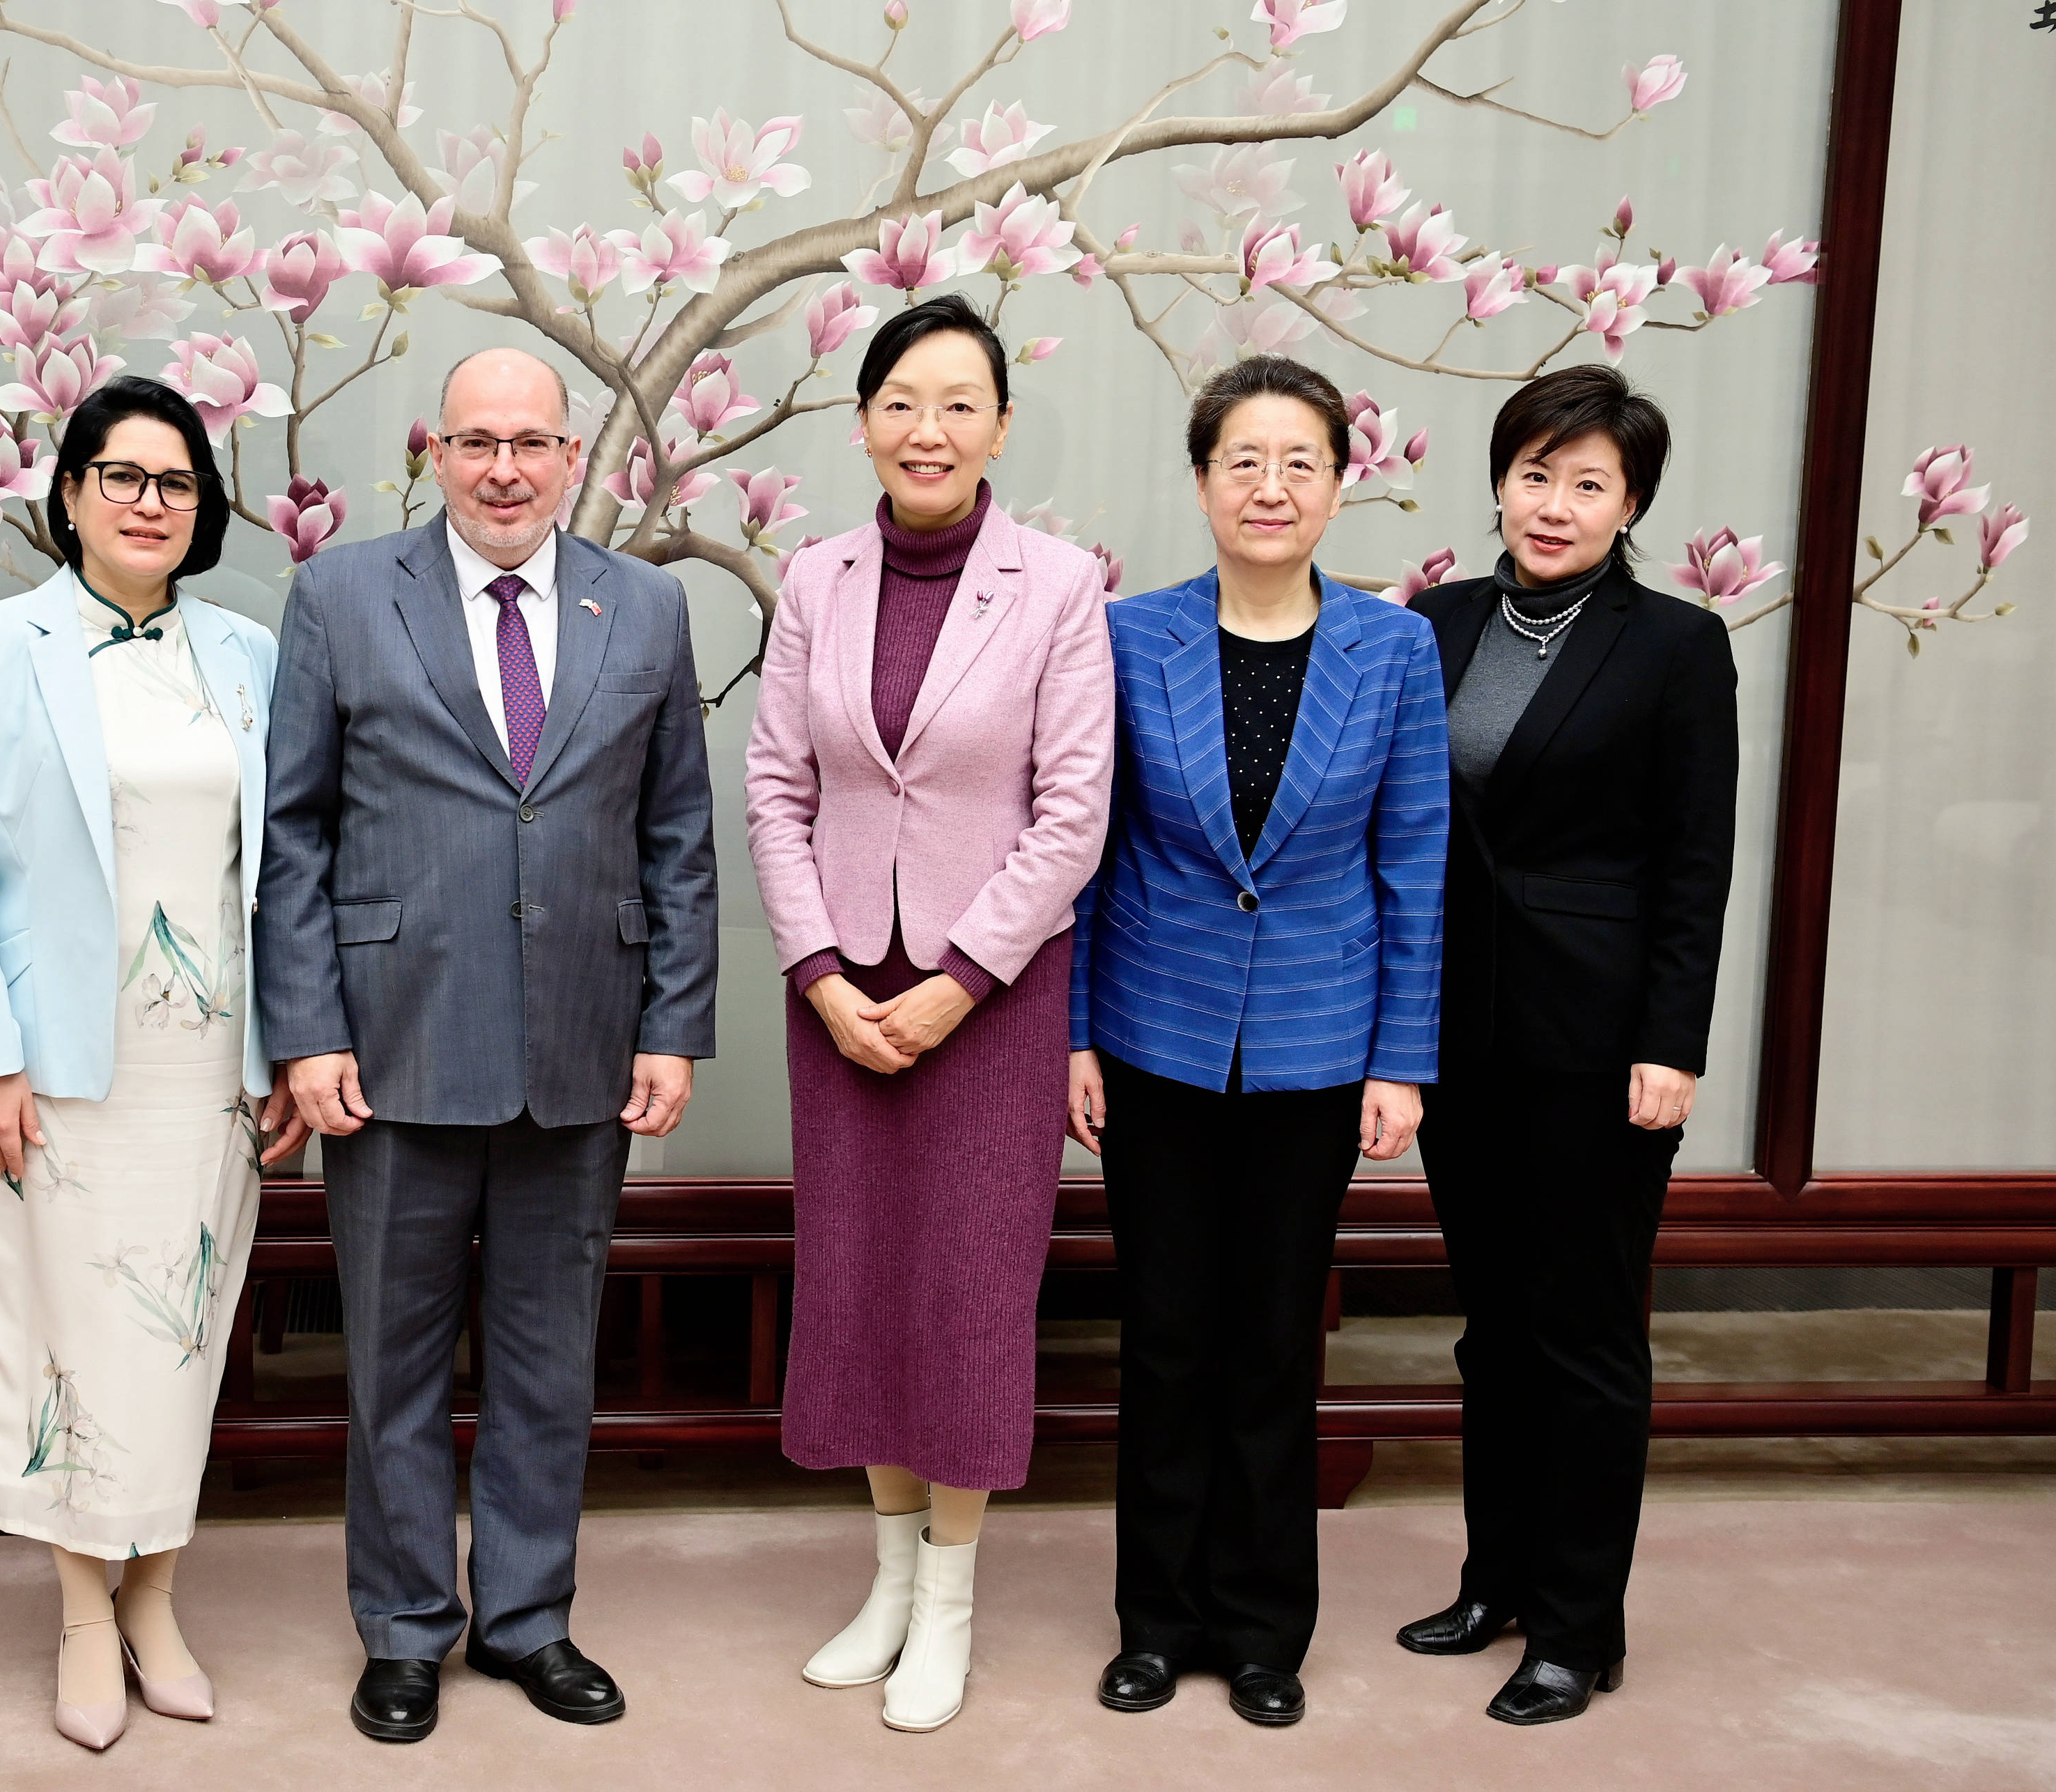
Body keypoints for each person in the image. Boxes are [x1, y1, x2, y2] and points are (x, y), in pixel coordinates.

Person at [258, 346, 718, 1745]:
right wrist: (304, 1028)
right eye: (476, 441)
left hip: (583, 1041)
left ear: (574, 456)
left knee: (544, 1354)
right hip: (390, 1046)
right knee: (391, 1362)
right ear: (435, 453)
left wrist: (674, 1023)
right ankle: (403, 1626)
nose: (505, 466)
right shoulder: (341, 593)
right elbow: (293, 830)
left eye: (531, 441)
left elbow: (677, 831)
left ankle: (528, 1616)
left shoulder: (645, 604)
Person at [743, 293, 1114, 1732]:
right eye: (902, 399)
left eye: (960, 401)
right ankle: (888, 1579)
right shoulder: (813, 578)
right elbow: (779, 787)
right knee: (857, 1281)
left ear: (1001, 426)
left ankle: (951, 1601)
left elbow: (1071, 813)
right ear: (863, 421)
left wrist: (957, 980)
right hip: (838, 997)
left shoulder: (1059, 585)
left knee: (962, 1294)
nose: (929, 427)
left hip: (993, 1003)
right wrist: (825, 975)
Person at [0, 376, 308, 1750]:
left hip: (206, 1067)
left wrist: (282, 1048)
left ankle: (156, 1592)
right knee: (71, 1339)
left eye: (177, 482)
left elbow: (274, 873)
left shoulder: (247, 655)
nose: (151, 501)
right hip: (56, 1063)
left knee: (180, 1327)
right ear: (71, 491)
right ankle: (85, 1606)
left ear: (200, 511)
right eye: (123, 475)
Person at [1069, 354, 1447, 1729]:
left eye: (1299, 461)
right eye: (1244, 459)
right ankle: (1154, 1618)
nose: (1270, 485)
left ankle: (1263, 1624)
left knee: (1274, 1341)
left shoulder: (1392, 648)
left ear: (1339, 484)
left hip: (1316, 1048)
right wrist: (1072, 1035)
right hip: (1152, 1039)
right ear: (1202, 480)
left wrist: (1402, 1058)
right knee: (1165, 1337)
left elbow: (1413, 857)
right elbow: (1088, 855)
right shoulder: (1127, 638)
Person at [1396, 364, 1735, 1725]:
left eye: (1586, 481)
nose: (1553, 503)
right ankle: (1496, 1578)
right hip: (1459, 1035)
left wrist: (1673, 1038)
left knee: (1584, 1333)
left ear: (1631, 501)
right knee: (1495, 1330)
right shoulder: (1435, 623)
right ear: (1498, 480)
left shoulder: (1671, 644)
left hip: (1601, 1044)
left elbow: (1692, 862)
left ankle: (1577, 1624)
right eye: (1534, 473)